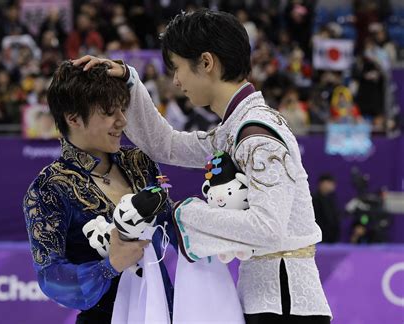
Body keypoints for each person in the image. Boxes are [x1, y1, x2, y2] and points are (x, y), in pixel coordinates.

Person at [74, 8, 332, 324]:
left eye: (178, 68)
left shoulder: (257, 135)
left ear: (207, 63)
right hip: (268, 299)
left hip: (285, 304)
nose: (177, 80)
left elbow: (268, 227)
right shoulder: (234, 130)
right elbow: (165, 145)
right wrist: (129, 81)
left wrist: (180, 214)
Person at [22, 61, 174, 324]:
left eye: (122, 109)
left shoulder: (139, 161)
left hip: (164, 311)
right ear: (73, 118)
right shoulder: (50, 188)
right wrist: (109, 266)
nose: (122, 121)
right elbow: (50, 277)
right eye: (108, 112)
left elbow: (171, 225)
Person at [312, 174, 341, 243]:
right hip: (318, 239)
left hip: (331, 240)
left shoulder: (332, 200)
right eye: (330, 183)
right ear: (322, 183)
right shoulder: (313, 199)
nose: (333, 186)